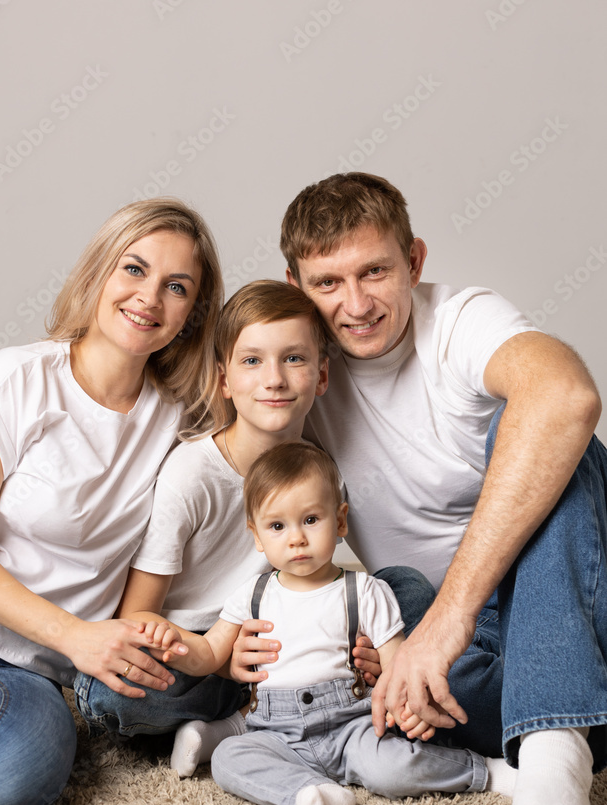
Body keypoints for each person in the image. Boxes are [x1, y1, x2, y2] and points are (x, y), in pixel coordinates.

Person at [271, 171, 607, 805]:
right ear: (295, 284)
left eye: (375, 272)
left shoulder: (459, 319)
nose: (356, 304)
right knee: (393, 603)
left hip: (572, 597)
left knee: (547, 433)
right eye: (327, 283)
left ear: (414, 262)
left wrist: (444, 625)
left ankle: (550, 759)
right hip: (467, 646)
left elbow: (567, 395)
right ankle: (565, 714)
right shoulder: (297, 368)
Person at [0, 197, 223, 805]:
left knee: (21, 772)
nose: (149, 296)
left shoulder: (182, 422)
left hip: (25, 673)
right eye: (134, 269)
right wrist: (76, 637)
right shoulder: (14, 379)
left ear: (192, 313)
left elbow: (268, 431)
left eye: (176, 287)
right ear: (98, 272)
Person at [93, 280, 432, 773]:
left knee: (409, 590)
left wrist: (376, 647)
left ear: (321, 375)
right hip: (202, 652)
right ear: (225, 379)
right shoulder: (192, 474)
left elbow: (328, 583)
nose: (273, 379)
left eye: (293, 359)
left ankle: (303, 703)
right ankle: (247, 713)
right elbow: (137, 616)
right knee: (111, 696)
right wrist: (219, 657)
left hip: (298, 635)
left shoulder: (324, 464)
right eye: (252, 361)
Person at [147, 442, 514, 805]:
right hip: (275, 732)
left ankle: (486, 771)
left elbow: (396, 666)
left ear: (340, 522)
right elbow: (208, 652)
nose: (296, 538)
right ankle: (309, 792)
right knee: (228, 759)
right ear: (257, 536)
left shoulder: (366, 591)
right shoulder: (252, 594)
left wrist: (405, 708)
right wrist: (175, 643)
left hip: (352, 725)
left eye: (310, 520)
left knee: (392, 771)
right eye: (277, 526)